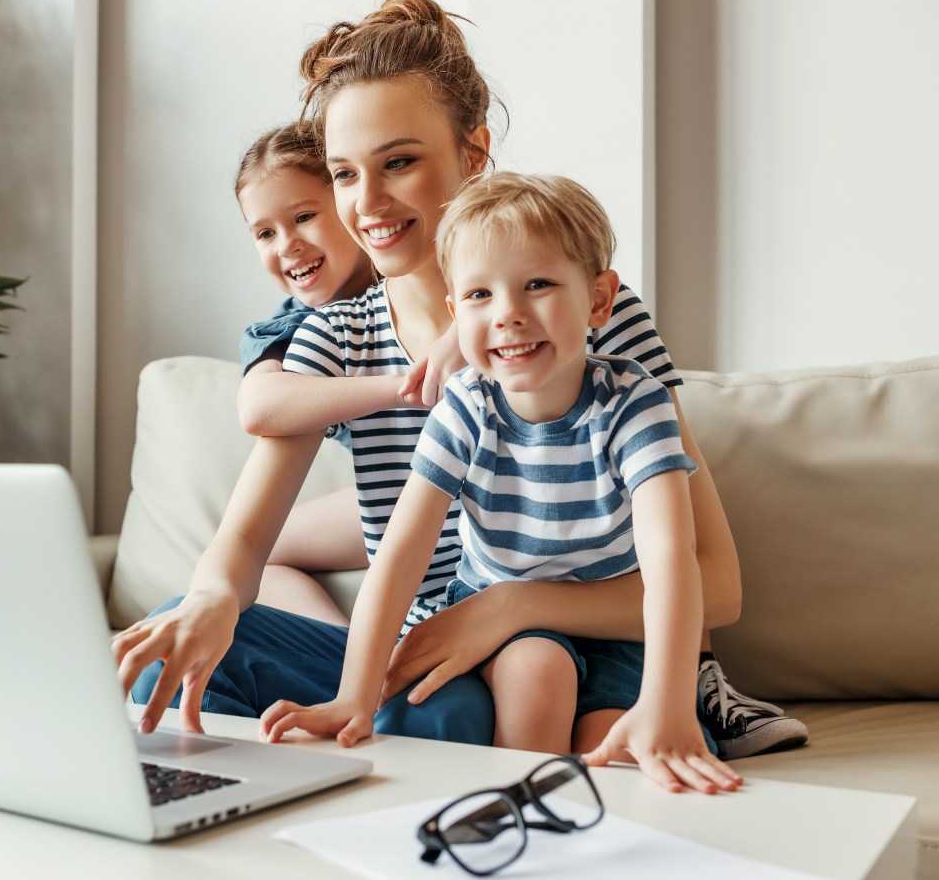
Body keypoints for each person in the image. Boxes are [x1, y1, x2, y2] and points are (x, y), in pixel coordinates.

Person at [114, 0, 802, 761]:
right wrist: (210, 597)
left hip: (558, 653)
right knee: (173, 655)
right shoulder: (337, 335)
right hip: (421, 651)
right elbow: (245, 539)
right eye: (344, 174)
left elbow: (718, 581)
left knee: (458, 716)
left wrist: (507, 607)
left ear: (473, 154)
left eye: (399, 162)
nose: (367, 205)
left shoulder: (589, 320)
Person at [260, 172, 742, 793]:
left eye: (538, 285)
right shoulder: (465, 406)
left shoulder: (635, 403)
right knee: (538, 672)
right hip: (507, 623)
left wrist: (668, 703)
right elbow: (400, 554)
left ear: (599, 300)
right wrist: (354, 694)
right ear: (457, 316)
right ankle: (521, 813)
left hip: (618, 633)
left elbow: (671, 559)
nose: (510, 315)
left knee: (622, 760)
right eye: (481, 295)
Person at [232, 122, 375, 627]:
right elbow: (259, 407)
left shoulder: (418, 283)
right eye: (265, 233)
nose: (287, 244)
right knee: (265, 548)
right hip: (393, 492)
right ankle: (347, 658)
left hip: (482, 484)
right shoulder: (291, 327)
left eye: (305, 216)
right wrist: (402, 390)